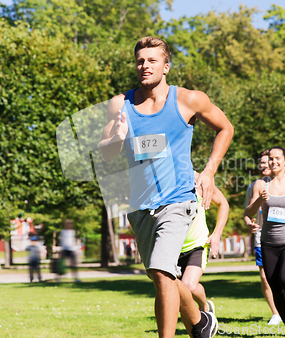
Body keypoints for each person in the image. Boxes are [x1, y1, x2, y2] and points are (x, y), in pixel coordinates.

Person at [99, 36, 234, 338]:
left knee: (162, 271)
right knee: (164, 278)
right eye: (139, 61)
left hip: (178, 200)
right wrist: (116, 138)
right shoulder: (120, 104)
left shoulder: (188, 100)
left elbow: (226, 128)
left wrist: (210, 170)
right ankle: (200, 323)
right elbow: (105, 152)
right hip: (141, 206)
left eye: (151, 60)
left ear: (166, 66)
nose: (144, 66)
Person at [245, 146, 285, 337]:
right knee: (275, 287)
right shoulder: (260, 185)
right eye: (271, 159)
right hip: (268, 243)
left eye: (277, 158)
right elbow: (248, 213)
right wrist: (259, 201)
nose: (274, 162)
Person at [178, 172, 229, 318]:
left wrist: (217, 233)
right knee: (177, 288)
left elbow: (223, 203)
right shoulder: (163, 177)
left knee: (189, 285)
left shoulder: (199, 180)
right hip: (173, 246)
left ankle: (204, 306)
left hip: (197, 244)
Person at [243, 150, 282, 325]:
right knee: (265, 276)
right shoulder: (254, 186)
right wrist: (249, 223)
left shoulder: (284, 185)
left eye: (267, 162)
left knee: (284, 277)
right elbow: (247, 212)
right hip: (261, 236)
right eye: (261, 163)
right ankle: (276, 313)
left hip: (282, 235)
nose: (264, 165)